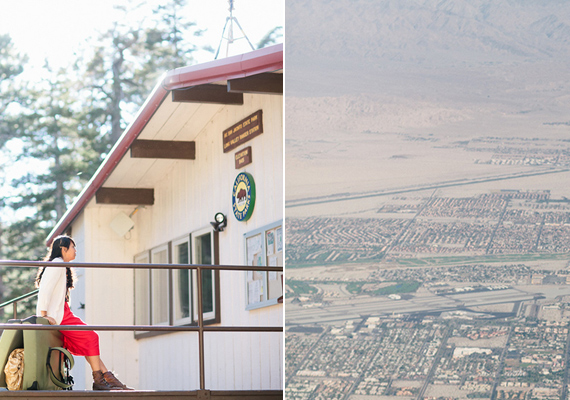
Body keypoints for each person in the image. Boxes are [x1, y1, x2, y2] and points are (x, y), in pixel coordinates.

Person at [35, 235, 133, 391]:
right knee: (91, 336)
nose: (75, 251)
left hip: (64, 313)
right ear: (63, 249)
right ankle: (100, 380)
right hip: (58, 316)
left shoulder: (61, 265)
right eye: (73, 247)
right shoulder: (57, 264)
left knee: (89, 342)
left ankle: (108, 378)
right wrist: (43, 315)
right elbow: (44, 291)